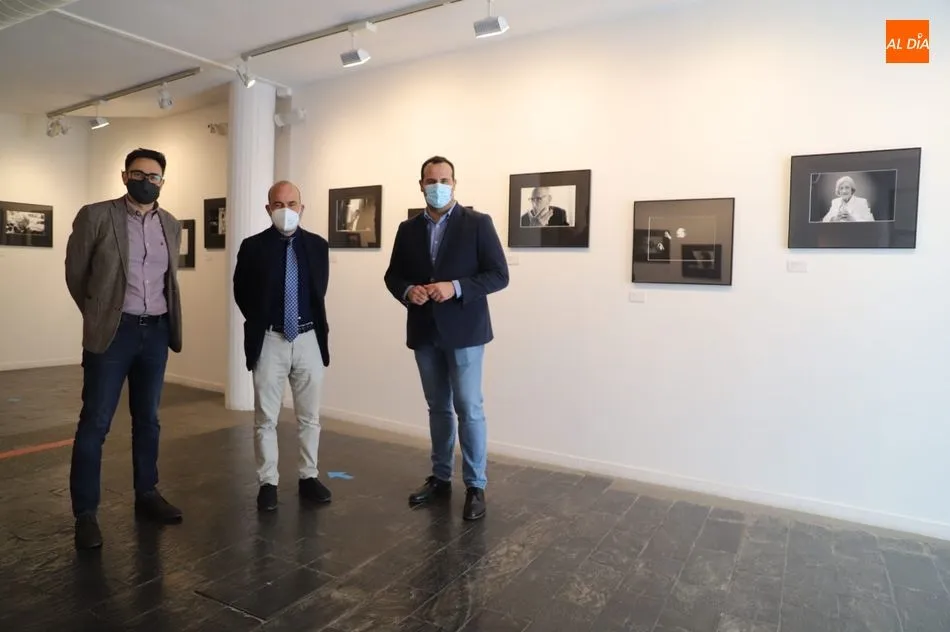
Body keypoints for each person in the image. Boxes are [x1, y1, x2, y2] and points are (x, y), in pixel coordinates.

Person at [65, 147, 184, 550]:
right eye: (138, 174)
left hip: (157, 332)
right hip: (115, 332)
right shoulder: (96, 216)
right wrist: (101, 313)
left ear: (162, 183)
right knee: (95, 422)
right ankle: (86, 513)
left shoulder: (171, 224)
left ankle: (146, 493)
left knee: (148, 419)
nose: (146, 181)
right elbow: (76, 274)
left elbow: (168, 278)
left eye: (154, 177)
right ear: (124, 175)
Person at [384, 156, 509, 521]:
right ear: (420, 184)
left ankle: (475, 485)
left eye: (444, 179)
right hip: (424, 331)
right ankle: (440, 478)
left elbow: (498, 275)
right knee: (437, 407)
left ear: (454, 183)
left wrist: (454, 287)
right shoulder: (408, 229)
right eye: (430, 179)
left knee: (469, 408)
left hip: (465, 331)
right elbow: (393, 276)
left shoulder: (478, 224)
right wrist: (409, 291)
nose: (437, 185)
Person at [233, 180, 332, 513]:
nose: (285, 210)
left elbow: (319, 292)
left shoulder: (318, 246)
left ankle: (308, 476)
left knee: (309, 417)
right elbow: (241, 291)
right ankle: (268, 483)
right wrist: (263, 321)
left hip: (308, 339)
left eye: (292, 204)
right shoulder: (252, 247)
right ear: (268, 209)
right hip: (270, 340)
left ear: (302, 208)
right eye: (278, 204)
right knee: (266, 419)